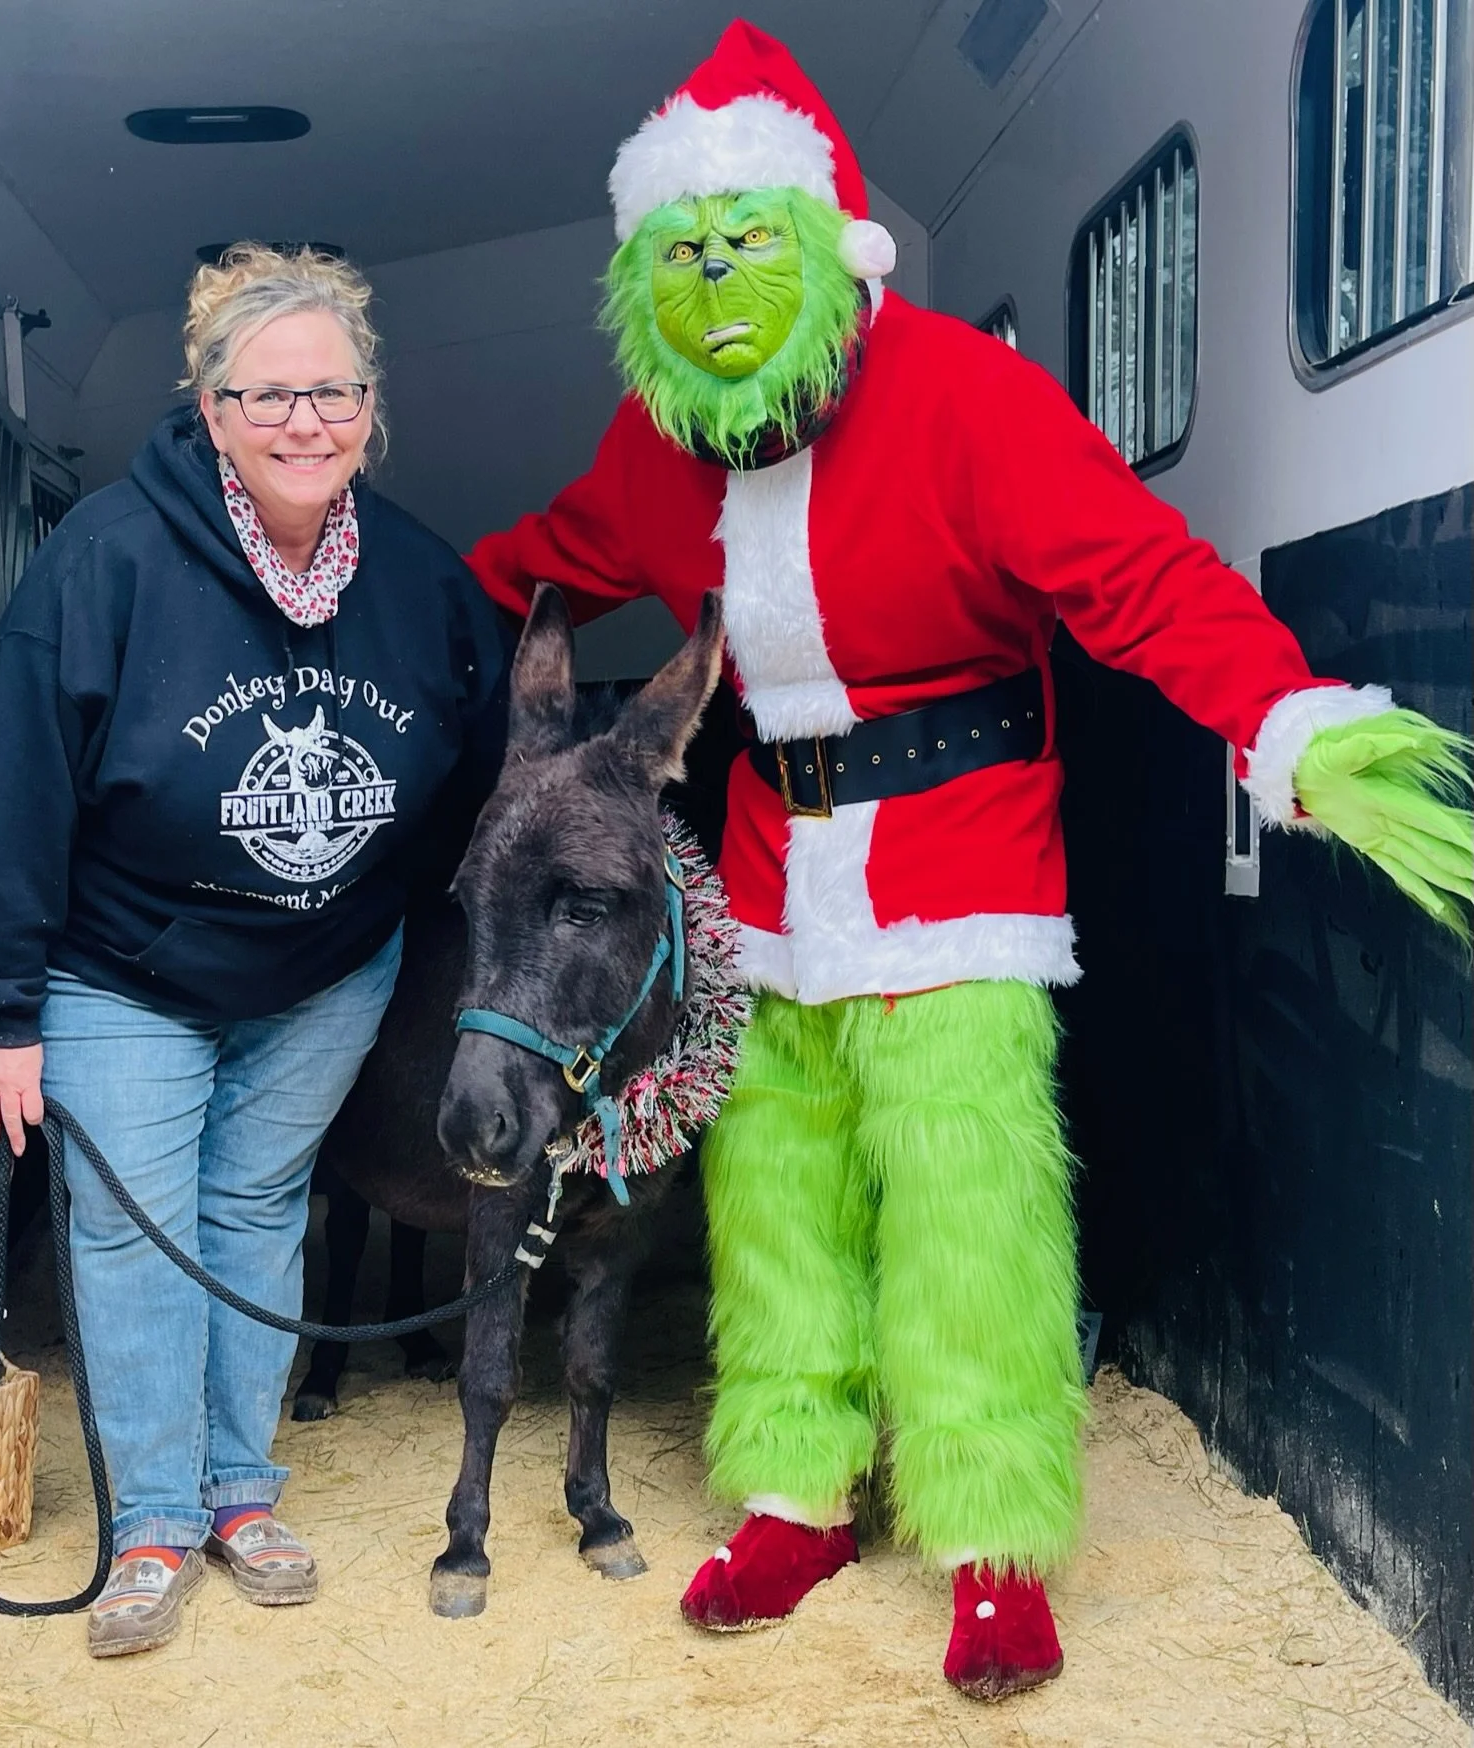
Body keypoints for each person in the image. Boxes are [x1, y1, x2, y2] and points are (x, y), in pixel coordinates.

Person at [465, 21, 1471, 1701]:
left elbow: (1144, 576)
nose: (719, 279)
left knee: (965, 1201)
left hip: (964, 865)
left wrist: (1287, 720)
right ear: (648, 278)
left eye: (745, 245)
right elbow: (538, 564)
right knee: (775, 1191)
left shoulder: (967, 396)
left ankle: (995, 1540)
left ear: (821, 249)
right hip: (773, 885)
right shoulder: (661, 449)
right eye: (685, 255)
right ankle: (797, 1489)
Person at [0, 244, 509, 1658]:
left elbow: (484, 784)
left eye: (334, 392)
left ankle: (244, 1495)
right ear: (210, 402)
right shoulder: (108, 561)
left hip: (326, 973)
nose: (305, 422)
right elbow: (20, 794)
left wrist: (407, 926)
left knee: (257, 1212)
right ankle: (155, 1528)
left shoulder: (425, 584)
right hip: (128, 969)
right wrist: (2, 1006)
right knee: (134, 1234)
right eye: (270, 396)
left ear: (372, 404)